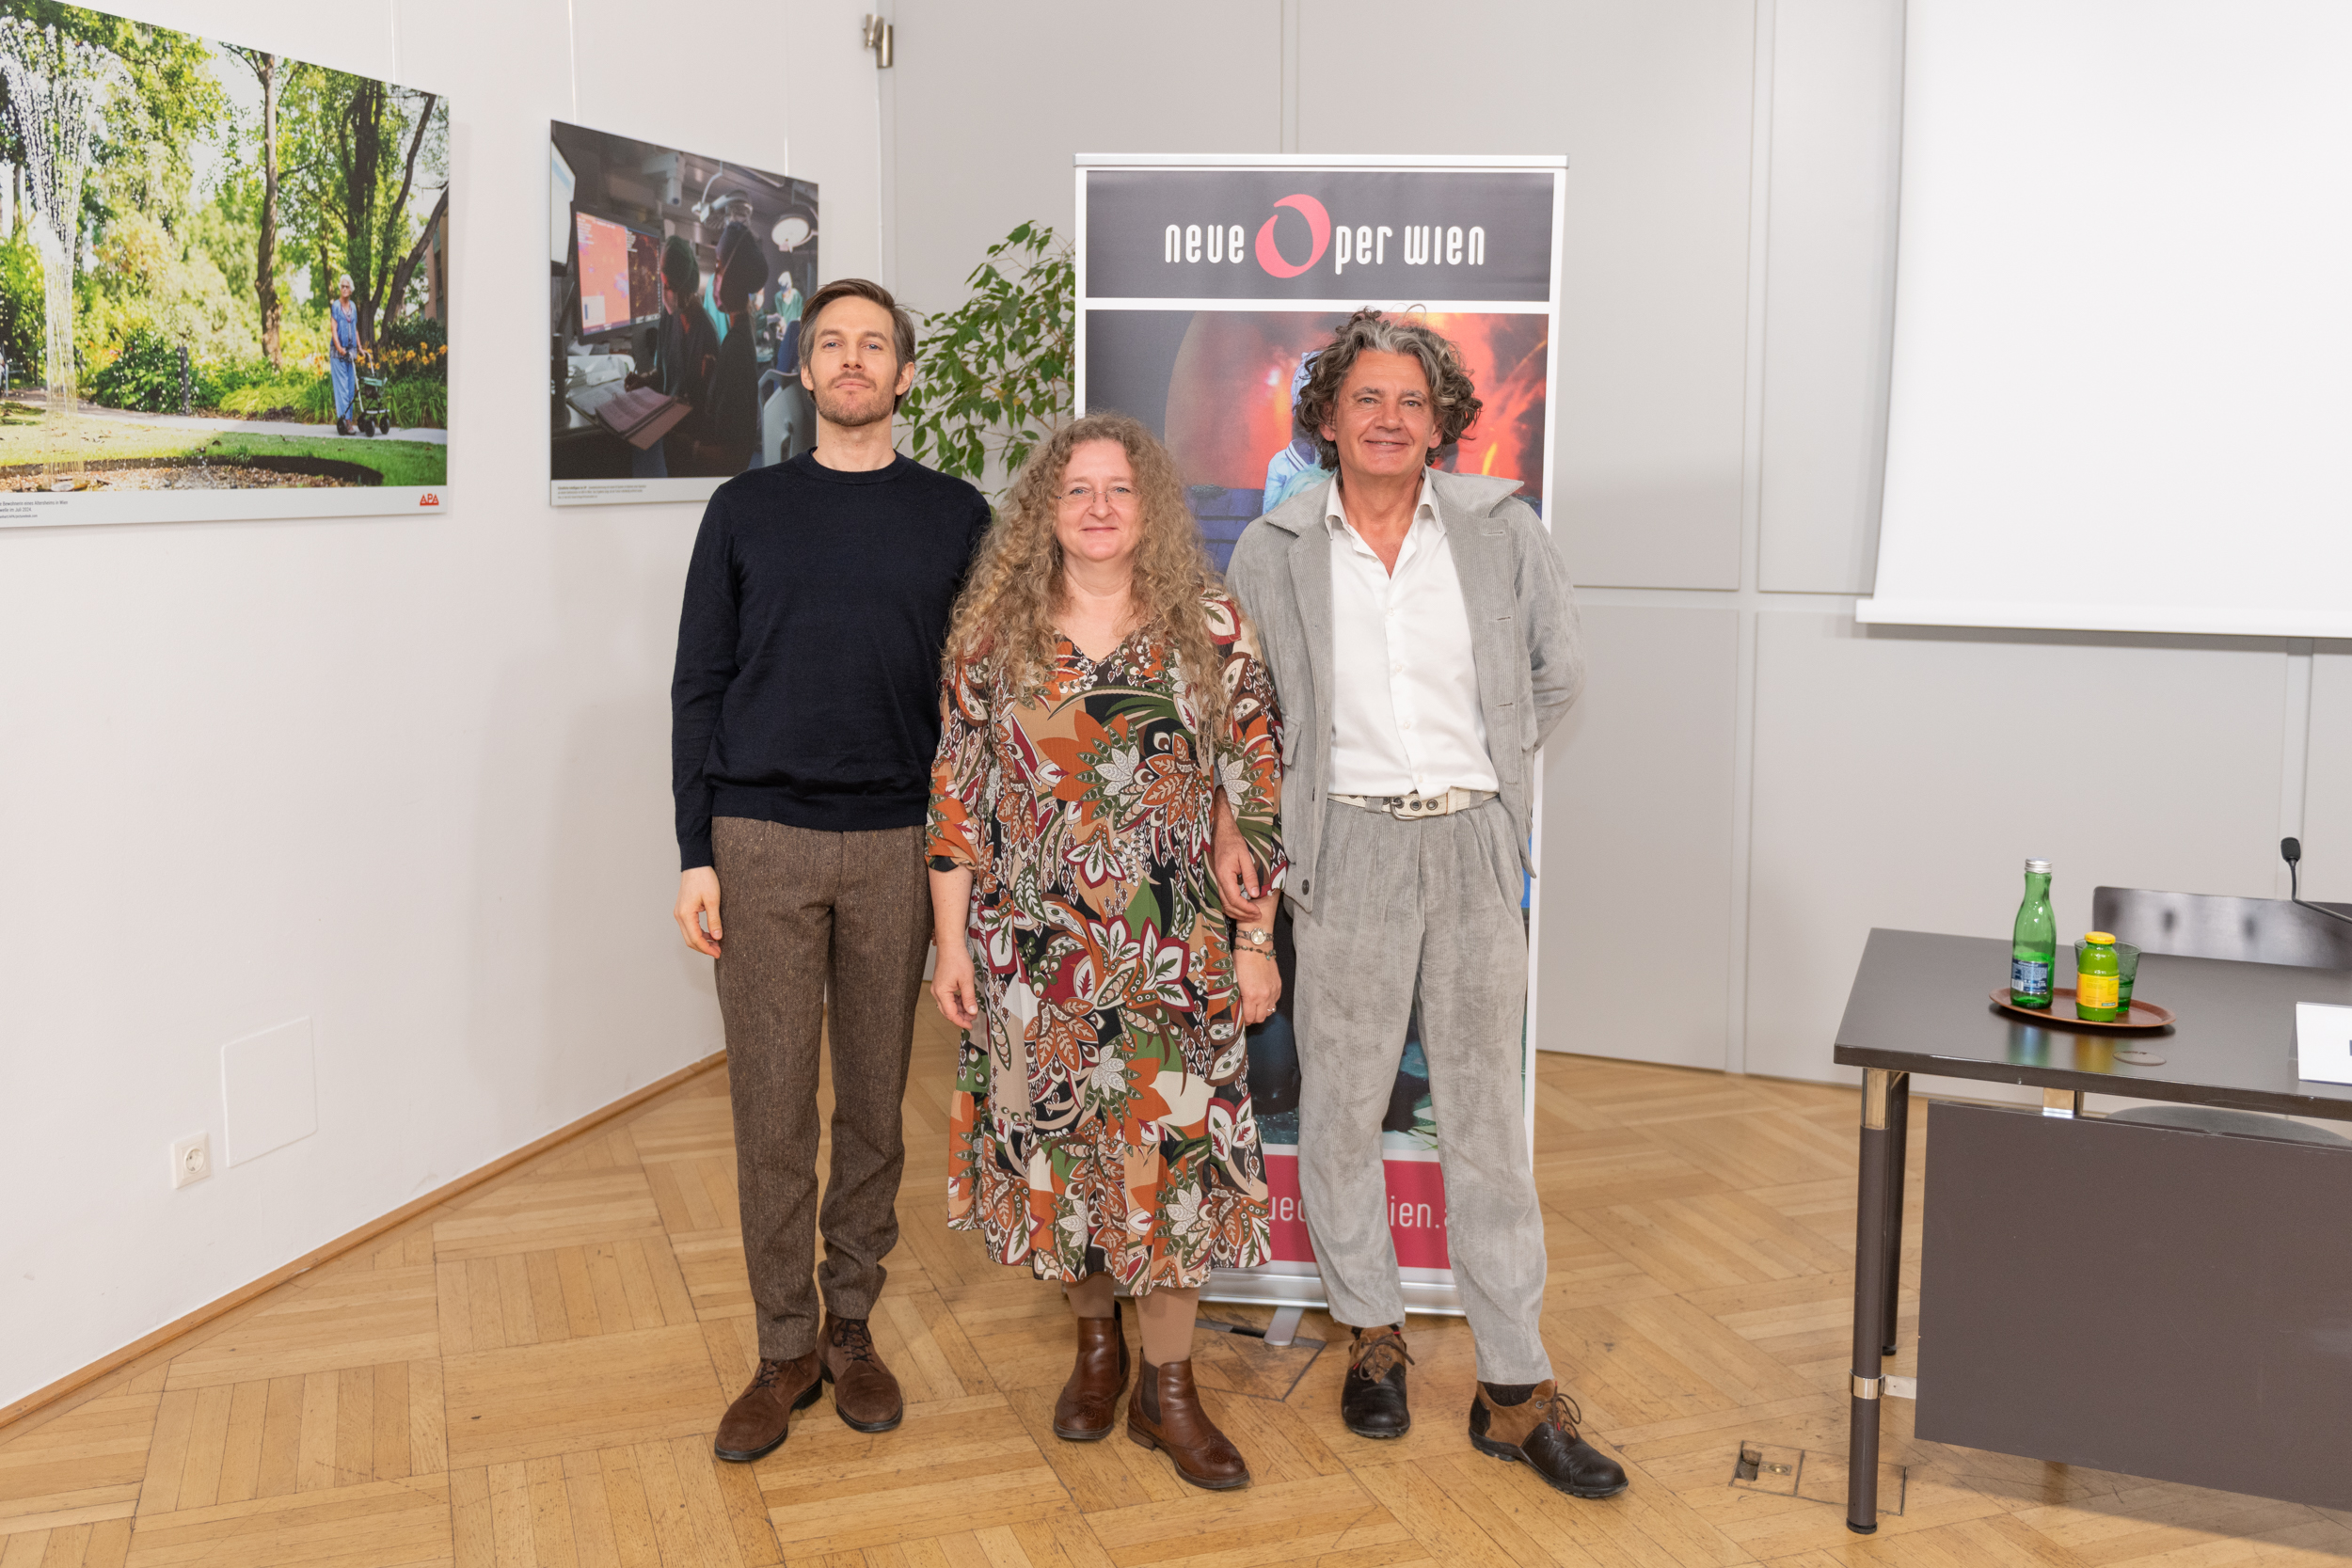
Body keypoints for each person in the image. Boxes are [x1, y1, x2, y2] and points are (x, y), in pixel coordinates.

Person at [1221, 310, 1625, 1499]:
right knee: (1342, 1110)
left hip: (1471, 840)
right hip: (1342, 847)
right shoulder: (1273, 546)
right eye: (1366, 398)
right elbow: (1249, 710)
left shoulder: (1503, 529)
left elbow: (1558, 670)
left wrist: (1489, 786)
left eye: (1411, 399)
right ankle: (1372, 1337)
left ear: (1444, 419)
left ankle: (1515, 1389)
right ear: (1327, 416)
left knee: (1484, 1124)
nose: (1389, 418)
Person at [926, 414, 1285, 1491]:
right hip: (1034, 957)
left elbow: (1253, 783)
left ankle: (1167, 1388)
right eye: (1076, 488)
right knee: (1067, 1156)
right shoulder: (992, 634)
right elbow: (955, 798)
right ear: (1045, 508)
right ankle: (1096, 1348)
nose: (1096, 507)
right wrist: (950, 947)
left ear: (1149, 508)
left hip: (1174, 955)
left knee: (1173, 1168)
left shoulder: (1209, 626)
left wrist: (1255, 938)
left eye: (1118, 489)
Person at [671, 278, 991, 1463]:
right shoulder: (743, 509)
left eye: (874, 345)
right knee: (769, 1107)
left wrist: (963, 861)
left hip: (898, 843)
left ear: (903, 373)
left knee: (871, 1102)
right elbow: (698, 684)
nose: (853, 360)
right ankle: (783, 1347)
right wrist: (694, 850)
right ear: (803, 370)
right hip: (758, 837)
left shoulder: (957, 516)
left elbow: (978, 702)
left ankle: (850, 1321)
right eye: (832, 344)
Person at [626, 235, 719, 477]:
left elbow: (711, 404)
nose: (665, 293)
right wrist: (645, 380)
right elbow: (663, 372)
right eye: (663, 285)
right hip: (671, 436)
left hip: (694, 442)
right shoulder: (669, 318)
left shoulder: (706, 333)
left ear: (685, 286)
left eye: (669, 287)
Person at [700, 220, 768, 473]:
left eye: (718, 267)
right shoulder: (740, 334)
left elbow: (730, 452)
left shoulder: (736, 346)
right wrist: (717, 375)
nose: (714, 279)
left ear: (732, 278)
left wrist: (689, 448)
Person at [327, 276, 360, 436]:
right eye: (342, 286)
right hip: (338, 353)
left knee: (350, 387)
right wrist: (339, 348)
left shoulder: (353, 306)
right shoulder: (336, 305)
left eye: (347, 286)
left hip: (351, 352)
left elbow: (355, 329)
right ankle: (346, 421)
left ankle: (348, 420)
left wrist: (360, 348)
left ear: (351, 290)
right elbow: (333, 329)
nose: (344, 289)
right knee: (342, 388)